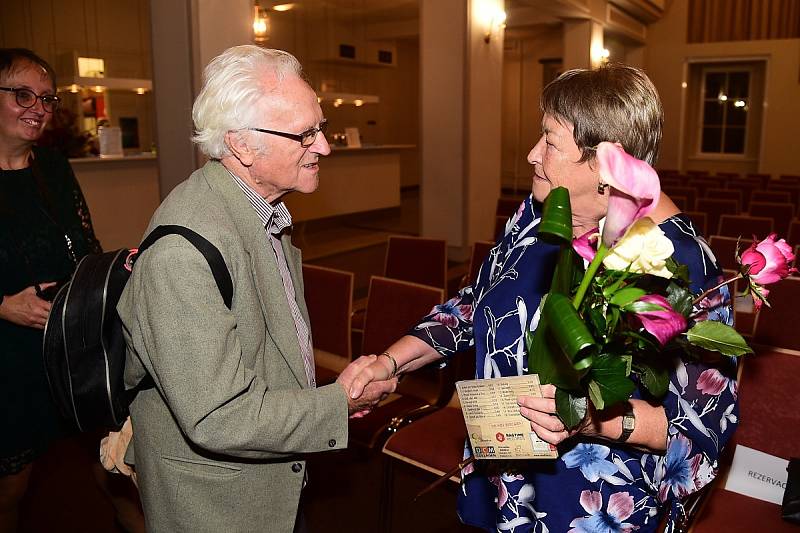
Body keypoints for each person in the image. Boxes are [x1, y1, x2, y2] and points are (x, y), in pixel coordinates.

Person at [349, 64, 738, 532]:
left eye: (550, 141)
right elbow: (474, 305)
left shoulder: (680, 267)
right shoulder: (538, 213)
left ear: (606, 167)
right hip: (501, 485)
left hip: (593, 507)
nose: (532, 154)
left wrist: (591, 420)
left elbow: (701, 433)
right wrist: (389, 364)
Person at [116, 45, 397, 533]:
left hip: (268, 482)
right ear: (242, 146)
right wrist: (337, 404)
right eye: (305, 134)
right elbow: (220, 417)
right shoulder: (184, 252)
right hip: (217, 503)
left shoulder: (255, 210)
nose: (324, 147)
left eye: (321, 128)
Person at [0, 48, 102, 531]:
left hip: (68, 345)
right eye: (22, 95)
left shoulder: (54, 168)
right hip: (6, 359)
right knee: (12, 489)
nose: (37, 108)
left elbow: (85, 246)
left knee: (116, 465)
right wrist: (1, 305)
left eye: (46, 98)